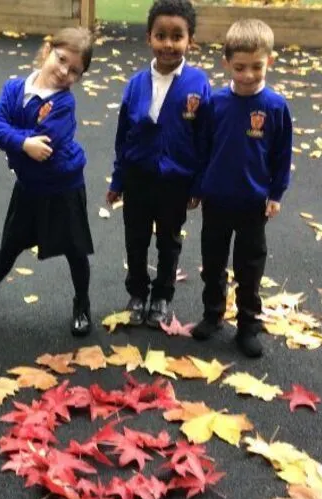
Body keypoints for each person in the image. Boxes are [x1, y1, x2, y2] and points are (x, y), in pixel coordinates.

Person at [0, 27, 95, 337]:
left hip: (64, 186)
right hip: (30, 187)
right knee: (10, 245)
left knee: (75, 250)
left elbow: (47, 145)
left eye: (75, 71)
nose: (64, 72)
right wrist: (24, 143)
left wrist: (16, 140)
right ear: (48, 49)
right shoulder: (14, 88)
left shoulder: (63, 104)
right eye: (61, 59)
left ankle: (82, 303)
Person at [190, 18, 293, 358]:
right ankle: (212, 315)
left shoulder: (276, 107)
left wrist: (276, 194)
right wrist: (198, 186)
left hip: (253, 204)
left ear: (269, 62)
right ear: (226, 64)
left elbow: (281, 154)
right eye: (240, 67)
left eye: (257, 67)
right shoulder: (215, 104)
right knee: (213, 263)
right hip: (216, 200)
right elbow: (203, 148)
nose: (248, 74)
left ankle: (248, 326)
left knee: (249, 268)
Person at [106, 0, 210, 329]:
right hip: (139, 178)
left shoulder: (198, 83)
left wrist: (197, 185)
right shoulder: (136, 83)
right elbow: (125, 136)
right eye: (161, 35)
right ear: (149, 37)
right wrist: (117, 180)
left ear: (189, 40)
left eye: (177, 36)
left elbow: (204, 138)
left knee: (169, 240)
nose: (168, 44)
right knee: (135, 239)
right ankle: (137, 293)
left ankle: (162, 296)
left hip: (175, 182)